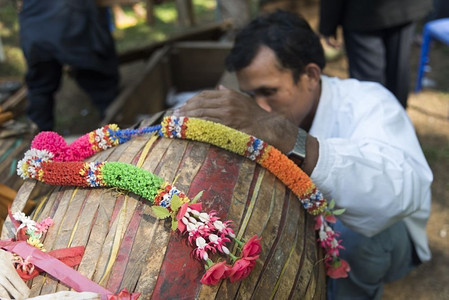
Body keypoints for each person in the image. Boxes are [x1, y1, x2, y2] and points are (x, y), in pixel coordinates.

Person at [177, 10, 433, 300]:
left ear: (311, 75)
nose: (261, 107)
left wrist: (284, 134)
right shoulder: (270, 113)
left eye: (269, 91)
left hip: (391, 237)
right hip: (315, 229)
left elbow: (398, 195)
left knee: (354, 238)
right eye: (251, 96)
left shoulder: (372, 102)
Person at [19, 0, 120, 131]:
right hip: (74, 23)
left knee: (40, 88)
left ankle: (37, 138)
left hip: (35, 29)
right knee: (100, 82)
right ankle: (117, 129)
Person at [319, 0, 433, 109]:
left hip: (364, 14)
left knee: (370, 85)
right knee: (395, 73)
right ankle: (396, 123)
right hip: (402, 9)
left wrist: (328, 25)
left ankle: (391, 123)